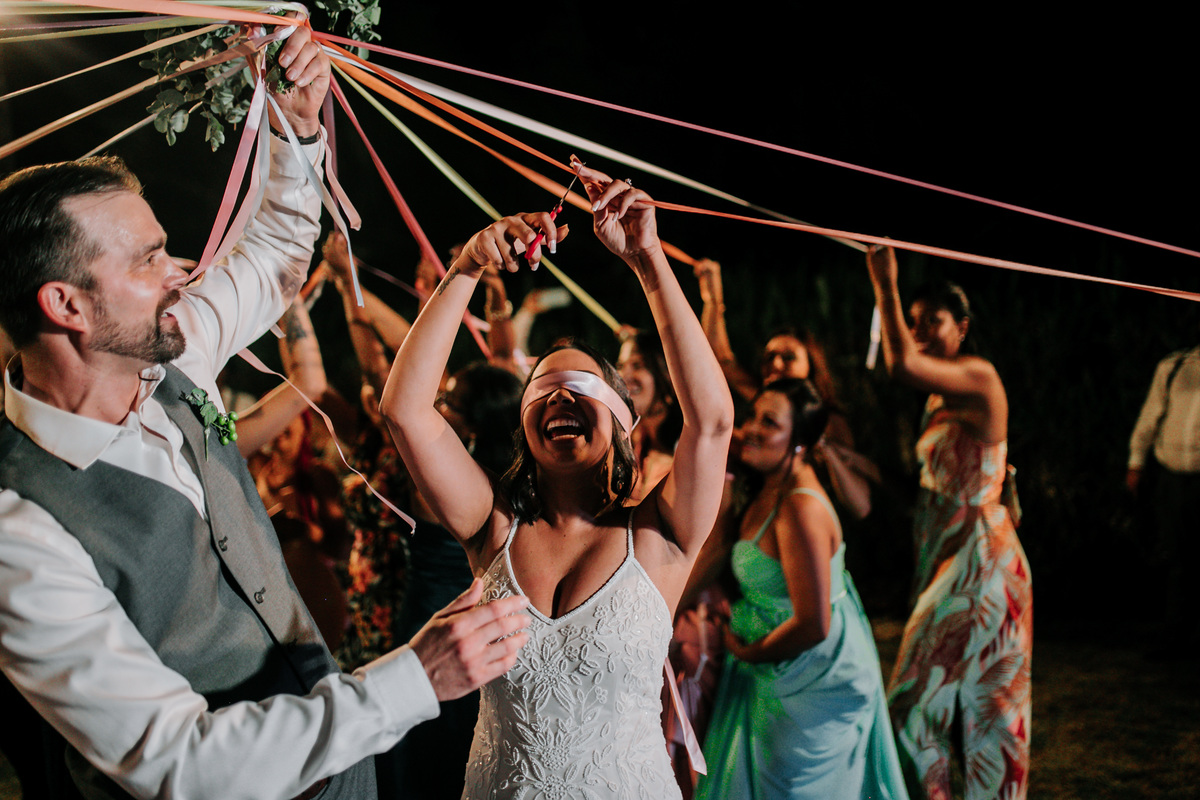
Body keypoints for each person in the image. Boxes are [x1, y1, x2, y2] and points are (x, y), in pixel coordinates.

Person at [0, 27, 529, 800]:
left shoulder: (175, 353)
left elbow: (275, 251)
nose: (180, 273)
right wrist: (415, 679)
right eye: (148, 260)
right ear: (66, 306)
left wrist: (298, 126)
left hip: (345, 773)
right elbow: (175, 762)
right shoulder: (17, 529)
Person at [380, 158, 735, 799]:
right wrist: (467, 266)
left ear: (622, 422)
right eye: (541, 389)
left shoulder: (660, 535)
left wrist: (649, 260)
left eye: (581, 387)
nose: (559, 397)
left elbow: (710, 422)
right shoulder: (491, 529)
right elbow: (404, 410)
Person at [865, 246, 1032, 800]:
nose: (917, 332)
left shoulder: (981, 378)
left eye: (930, 321)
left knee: (941, 705)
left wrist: (885, 283)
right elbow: (886, 363)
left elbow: (898, 364)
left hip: (981, 562)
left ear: (962, 327)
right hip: (950, 556)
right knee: (949, 707)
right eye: (911, 322)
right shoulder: (939, 392)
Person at [691, 379, 908, 800]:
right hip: (776, 669)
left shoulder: (800, 507)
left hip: (811, 680)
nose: (751, 429)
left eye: (769, 422)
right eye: (753, 416)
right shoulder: (770, 484)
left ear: (800, 442)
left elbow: (812, 624)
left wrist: (748, 654)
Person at [694, 258, 873, 520]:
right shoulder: (765, 398)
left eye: (788, 358)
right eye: (769, 357)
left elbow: (860, 501)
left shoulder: (828, 419)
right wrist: (713, 298)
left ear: (811, 366)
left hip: (807, 517)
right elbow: (721, 359)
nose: (776, 364)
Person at [1126, 342, 1200, 655]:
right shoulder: (1175, 367)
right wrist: (1136, 462)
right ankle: (1175, 635)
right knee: (1176, 557)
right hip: (1173, 477)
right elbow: (1150, 415)